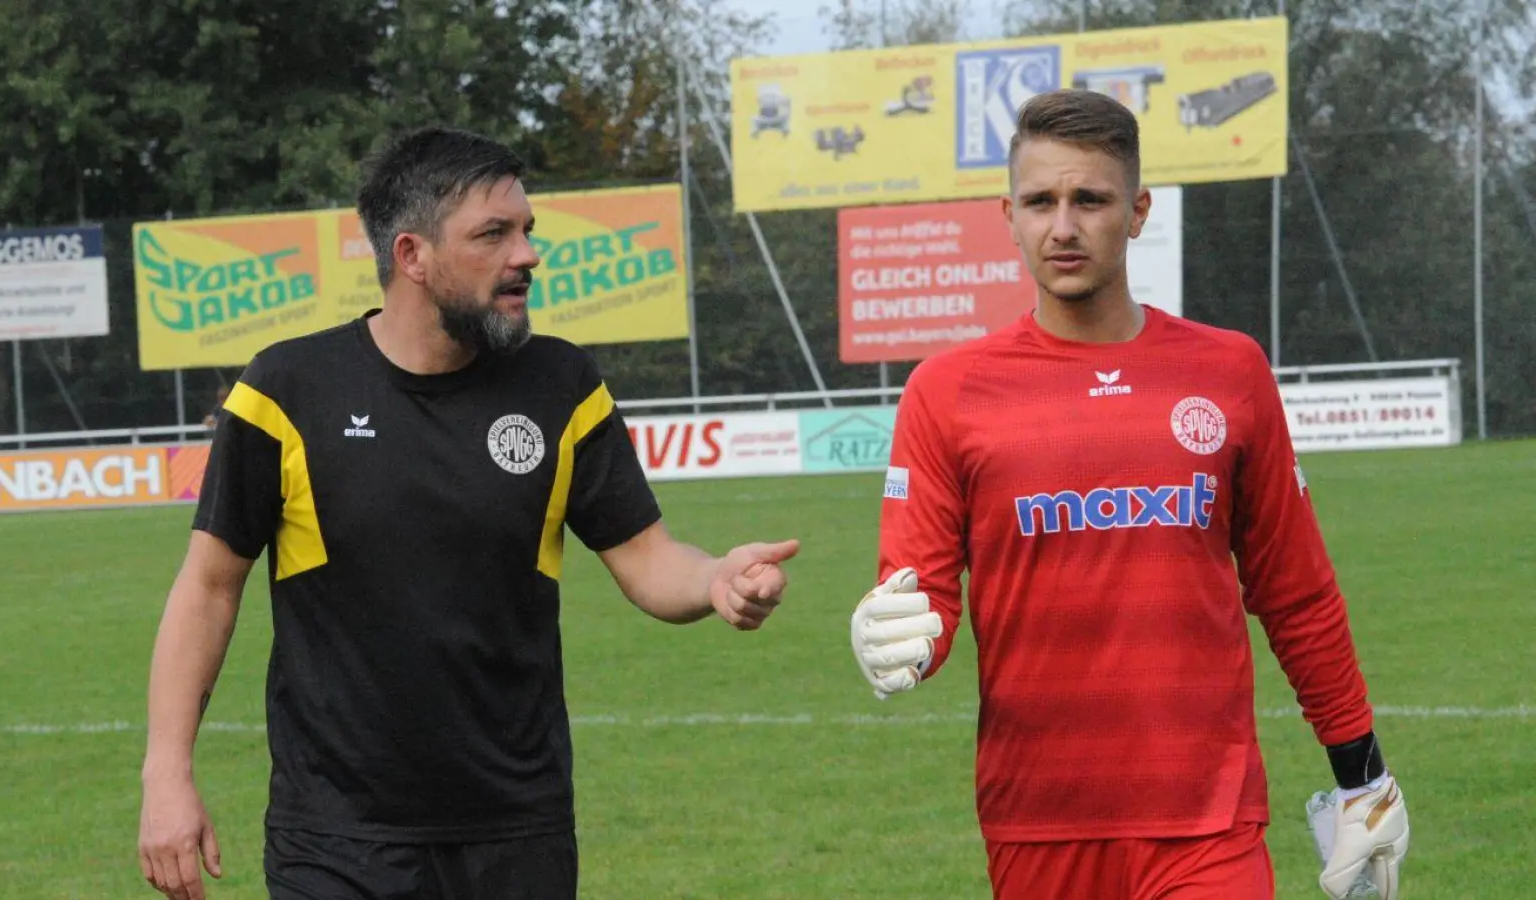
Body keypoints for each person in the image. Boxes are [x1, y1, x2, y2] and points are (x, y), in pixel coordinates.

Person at [138, 125, 802, 900]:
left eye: (527, 230)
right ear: (412, 256)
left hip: (517, 830)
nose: (527, 254)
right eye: (494, 234)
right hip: (335, 838)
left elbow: (647, 557)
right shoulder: (286, 391)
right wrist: (166, 774)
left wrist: (715, 578)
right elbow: (210, 587)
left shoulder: (561, 384)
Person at [848, 89, 1409, 900]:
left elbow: (1296, 591)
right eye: (1040, 202)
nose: (1063, 227)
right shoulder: (946, 392)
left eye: (1090, 200)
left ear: (1137, 211)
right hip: (1035, 818)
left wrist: (1361, 776)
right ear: (1006, 214)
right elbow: (920, 601)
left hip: (1209, 818)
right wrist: (894, 640)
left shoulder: (1228, 372)